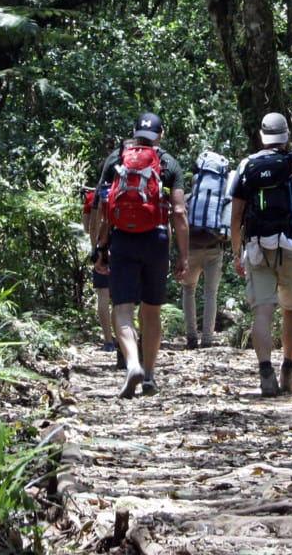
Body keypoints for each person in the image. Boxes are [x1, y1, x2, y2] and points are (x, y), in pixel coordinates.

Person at [230, 112, 292, 396]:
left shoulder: (247, 165)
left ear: (262, 136)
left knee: (262, 310)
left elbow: (236, 215)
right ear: (287, 136)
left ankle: (265, 371)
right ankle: (288, 368)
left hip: (258, 247)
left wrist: (237, 252)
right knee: (291, 309)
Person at [94, 112, 189, 398]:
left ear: (134, 132)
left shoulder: (116, 159)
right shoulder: (168, 163)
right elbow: (180, 212)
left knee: (122, 308)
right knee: (152, 309)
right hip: (156, 239)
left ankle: (132, 363)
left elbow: (103, 208)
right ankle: (148, 376)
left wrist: (100, 248)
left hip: (122, 239)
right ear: (161, 135)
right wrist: (184, 255)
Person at [183, 159, 235, 349]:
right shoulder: (222, 201)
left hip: (191, 249)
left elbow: (179, 226)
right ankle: (207, 339)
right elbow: (226, 233)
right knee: (210, 294)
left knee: (189, 290)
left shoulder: (189, 199)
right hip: (214, 250)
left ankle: (190, 337)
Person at [82, 184, 116, 352]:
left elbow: (87, 228)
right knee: (121, 297)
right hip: (123, 246)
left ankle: (109, 341)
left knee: (103, 294)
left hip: (101, 250)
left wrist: (96, 249)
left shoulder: (92, 196)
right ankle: (125, 338)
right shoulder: (129, 189)